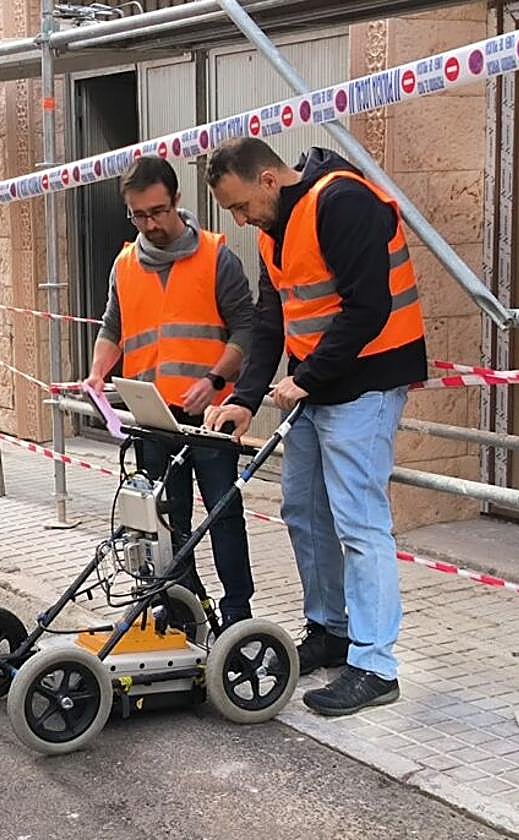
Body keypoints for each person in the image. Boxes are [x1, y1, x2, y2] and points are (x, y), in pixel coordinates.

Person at [203, 137, 427, 716]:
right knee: (302, 509)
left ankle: (375, 665)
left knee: (360, 524)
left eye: (240, 206)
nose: (240, 219)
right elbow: (272, 316)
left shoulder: (343, 202)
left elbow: (368, 308)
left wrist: (307, 378)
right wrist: (245, 397)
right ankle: (329, 630)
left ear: (269, 180)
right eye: (232, 212)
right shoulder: (273, 229)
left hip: (367, 385)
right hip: (317, 386)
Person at [84, 157, 256, 628]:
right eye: (139, 215)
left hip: (211, 414)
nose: (150, 223)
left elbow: (247, 328)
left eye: (158, 211)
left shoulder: (217, 257)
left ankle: (238, 613)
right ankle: (184, 603)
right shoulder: (124, 264)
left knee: (223, 513)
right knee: (166, 515)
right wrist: (98, 372)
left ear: (177, 201)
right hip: (152, 415)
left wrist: (215, 380)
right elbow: (112, 327)